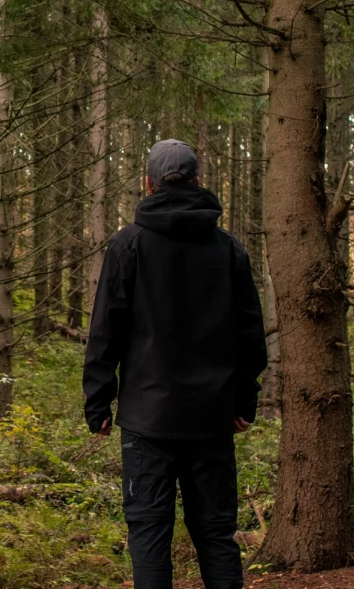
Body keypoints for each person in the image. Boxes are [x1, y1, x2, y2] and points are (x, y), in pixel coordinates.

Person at [83, 138, 267, 589]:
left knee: (148, 534)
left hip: (148, 421)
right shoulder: (228, 249)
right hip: (212, 419)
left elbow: (106, 329)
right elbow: (250, 336)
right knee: (217, 534)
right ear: (199, 181)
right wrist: (245, 401)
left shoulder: (128, 246)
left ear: (148, 185)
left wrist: (98, 402)